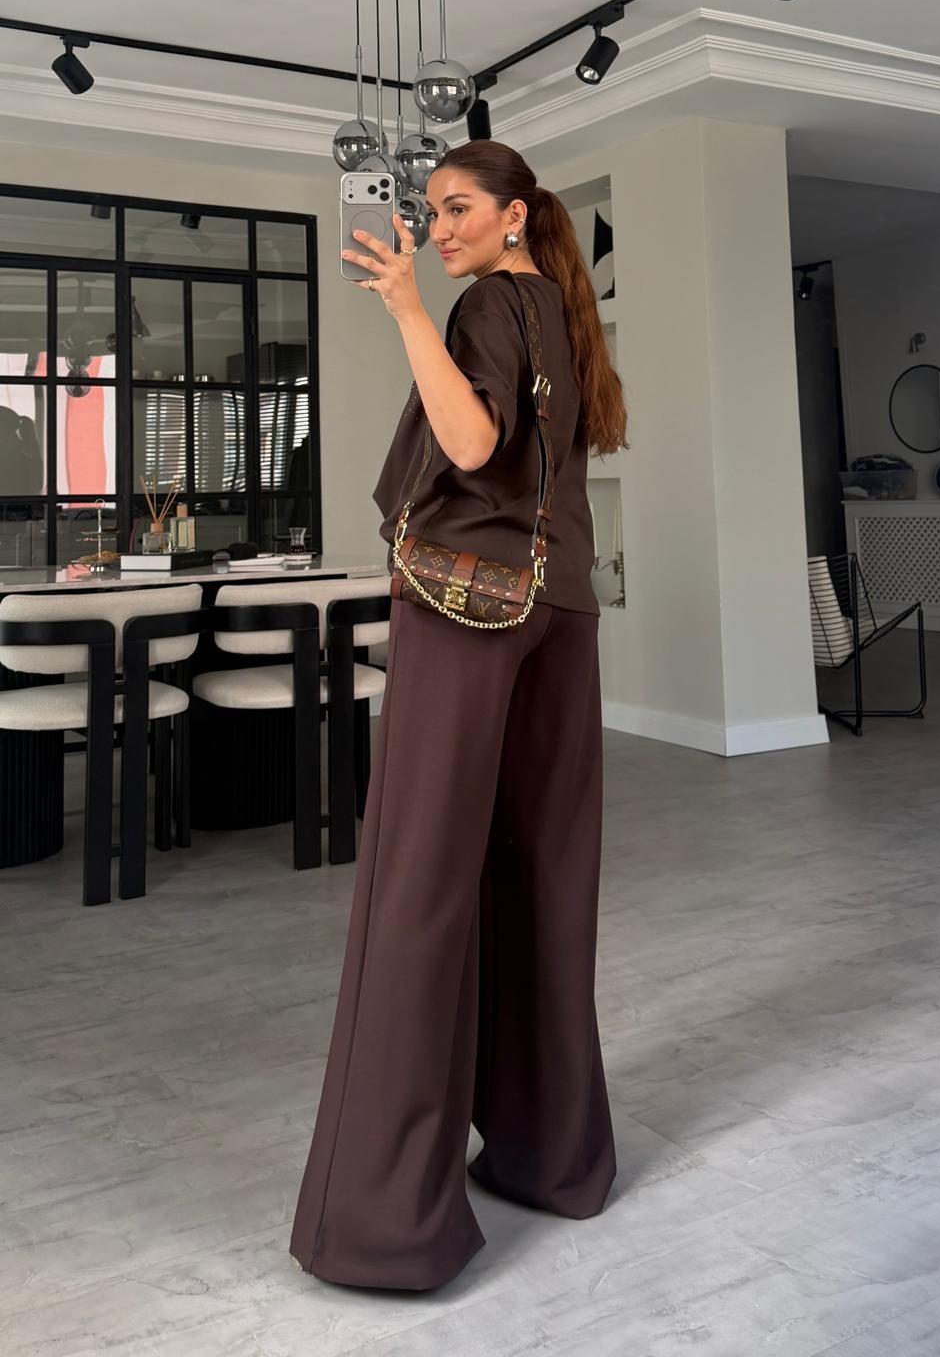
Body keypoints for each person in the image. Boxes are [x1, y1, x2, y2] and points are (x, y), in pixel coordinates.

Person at [289, 139, 628, 1292]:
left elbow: (473, 444)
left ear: (513, 215)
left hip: (464, 606)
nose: (439, 229)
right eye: (431, 212)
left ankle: (385, 1226)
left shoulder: (484, 302)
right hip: (560, 608)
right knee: (542, 879)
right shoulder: (562, 314)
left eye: (459, 208)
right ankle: (555, 1159)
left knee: (417, 887)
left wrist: (404, 309)